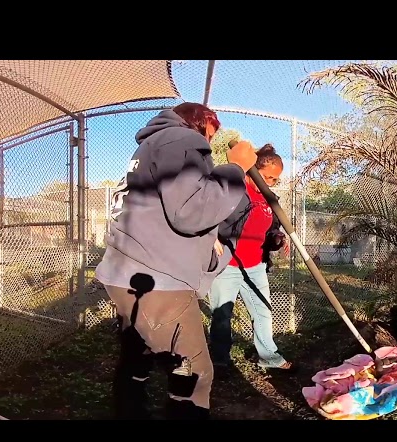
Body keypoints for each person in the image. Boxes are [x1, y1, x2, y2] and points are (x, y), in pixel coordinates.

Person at [94, 102, 257, 420]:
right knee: (194, 375)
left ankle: (130, 411)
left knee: (136, 359)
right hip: (159, 281)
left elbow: (172, 208)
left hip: (123, 273)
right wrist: (236, 168)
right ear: (200, 123)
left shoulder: (148, 148)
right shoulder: (182, 140)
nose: (210, 144)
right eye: (211, 134)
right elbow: (190, 211)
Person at [208, 143, 293, 377]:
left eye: (275, 179)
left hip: (255, 266)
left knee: (263, 312)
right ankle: (220, 361)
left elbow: (271, 229)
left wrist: (277, 237)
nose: (271, 182)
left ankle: (269, 357)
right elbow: (208, 213)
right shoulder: (235, 190)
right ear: (252, 170)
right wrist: (211, 236)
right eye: (267, 177)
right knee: (222, 314)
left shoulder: (270, 198)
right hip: (228, 264)